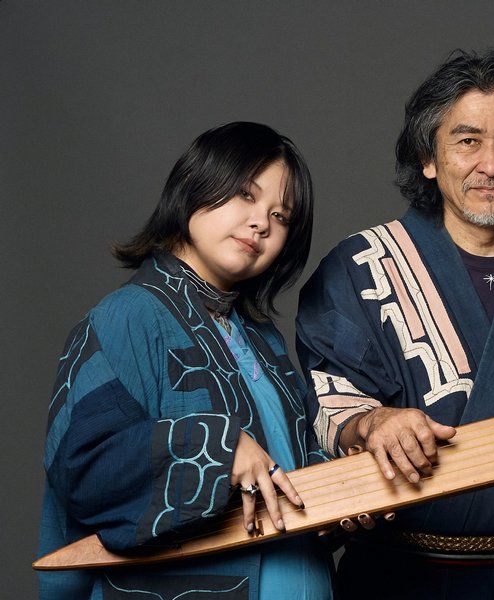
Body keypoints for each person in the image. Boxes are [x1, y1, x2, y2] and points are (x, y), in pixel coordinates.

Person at [296, 49, 494, 599]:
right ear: (428, 160)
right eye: (466, 141)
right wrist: (372, 422)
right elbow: (313, 409)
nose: (492, 164)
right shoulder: (356, 268)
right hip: (396, 578)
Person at [37, 122, 334, 599]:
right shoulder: (128, 317)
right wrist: (217, 447)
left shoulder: (263, 339)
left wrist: (347, 492)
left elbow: (292, 470)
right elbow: (83, 467)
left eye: (281, 215)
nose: (262, 223)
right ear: (195, 185)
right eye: (244, 195)